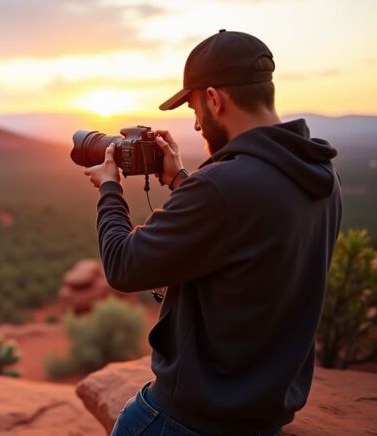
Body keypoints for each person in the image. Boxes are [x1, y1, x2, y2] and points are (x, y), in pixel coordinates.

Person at [82, 30, 342, 435]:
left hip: (190, 418)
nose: (196, 122)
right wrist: (182, 179)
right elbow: (248, 230)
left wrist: (110, 189)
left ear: (215, 99)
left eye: (194, 106)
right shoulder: (319, 171)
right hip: (263, 414)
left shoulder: (222, 186)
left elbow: (122, 265)